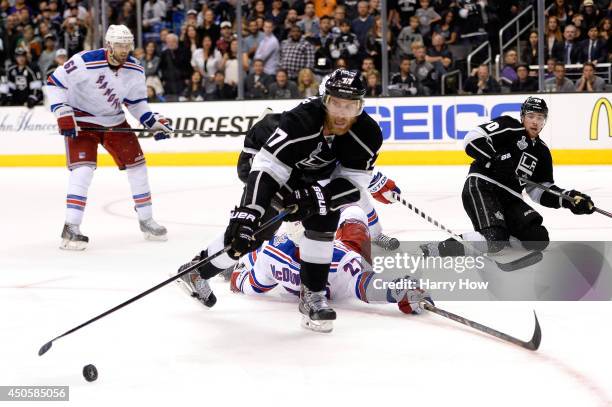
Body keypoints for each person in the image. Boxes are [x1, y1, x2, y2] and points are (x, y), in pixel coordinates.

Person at [176, 69, 383, 333]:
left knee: (324, 216)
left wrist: (317, 197)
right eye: (336, 104)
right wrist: (249, 212)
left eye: (350, 106)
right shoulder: (301, 120)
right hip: (267, 161)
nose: (342, 113)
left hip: (311, 176)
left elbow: (354, 183)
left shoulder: (368, 134)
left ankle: (313, 296)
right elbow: (268, 167)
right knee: (254, 229)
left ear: (361, 106)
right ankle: (196, 271)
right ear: (324, 99)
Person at [45, 25, 172, 250]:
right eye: (120, 45)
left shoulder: (135, 69)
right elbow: (55, 83)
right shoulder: (85, 61)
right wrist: (62, 113)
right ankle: (71, 227)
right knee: (83, 171)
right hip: (82, 123)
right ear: (109, 45)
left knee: (138, 168)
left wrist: (152, 123)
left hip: (114, 122)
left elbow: (136, 103)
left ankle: (146, 220)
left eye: (127, 45)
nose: (124, 50)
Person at [421, 97, 596, 258]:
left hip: (510, 198)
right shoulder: (510, 126)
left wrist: (569, 199)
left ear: (545, 122)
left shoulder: (542, 152)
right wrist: (494, 157)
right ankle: (438, 249)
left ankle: (501, 234)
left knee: (538, 238)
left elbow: (538, 190)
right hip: (483, 186)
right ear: (522, 117)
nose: (535, 121)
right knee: (494, 239)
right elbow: (471, 139)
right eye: (531, 116)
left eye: (540, 117)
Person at [226, 205, 433, 332]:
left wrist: (236, 271)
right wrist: (398, 290)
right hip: (349, 252)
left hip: (276, 255)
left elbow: (250, 283)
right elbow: (365, 285)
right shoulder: (340, 262)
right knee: (354, 212)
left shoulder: (272, 252)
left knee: (255, 256)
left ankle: (241, 259)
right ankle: (374, 236)